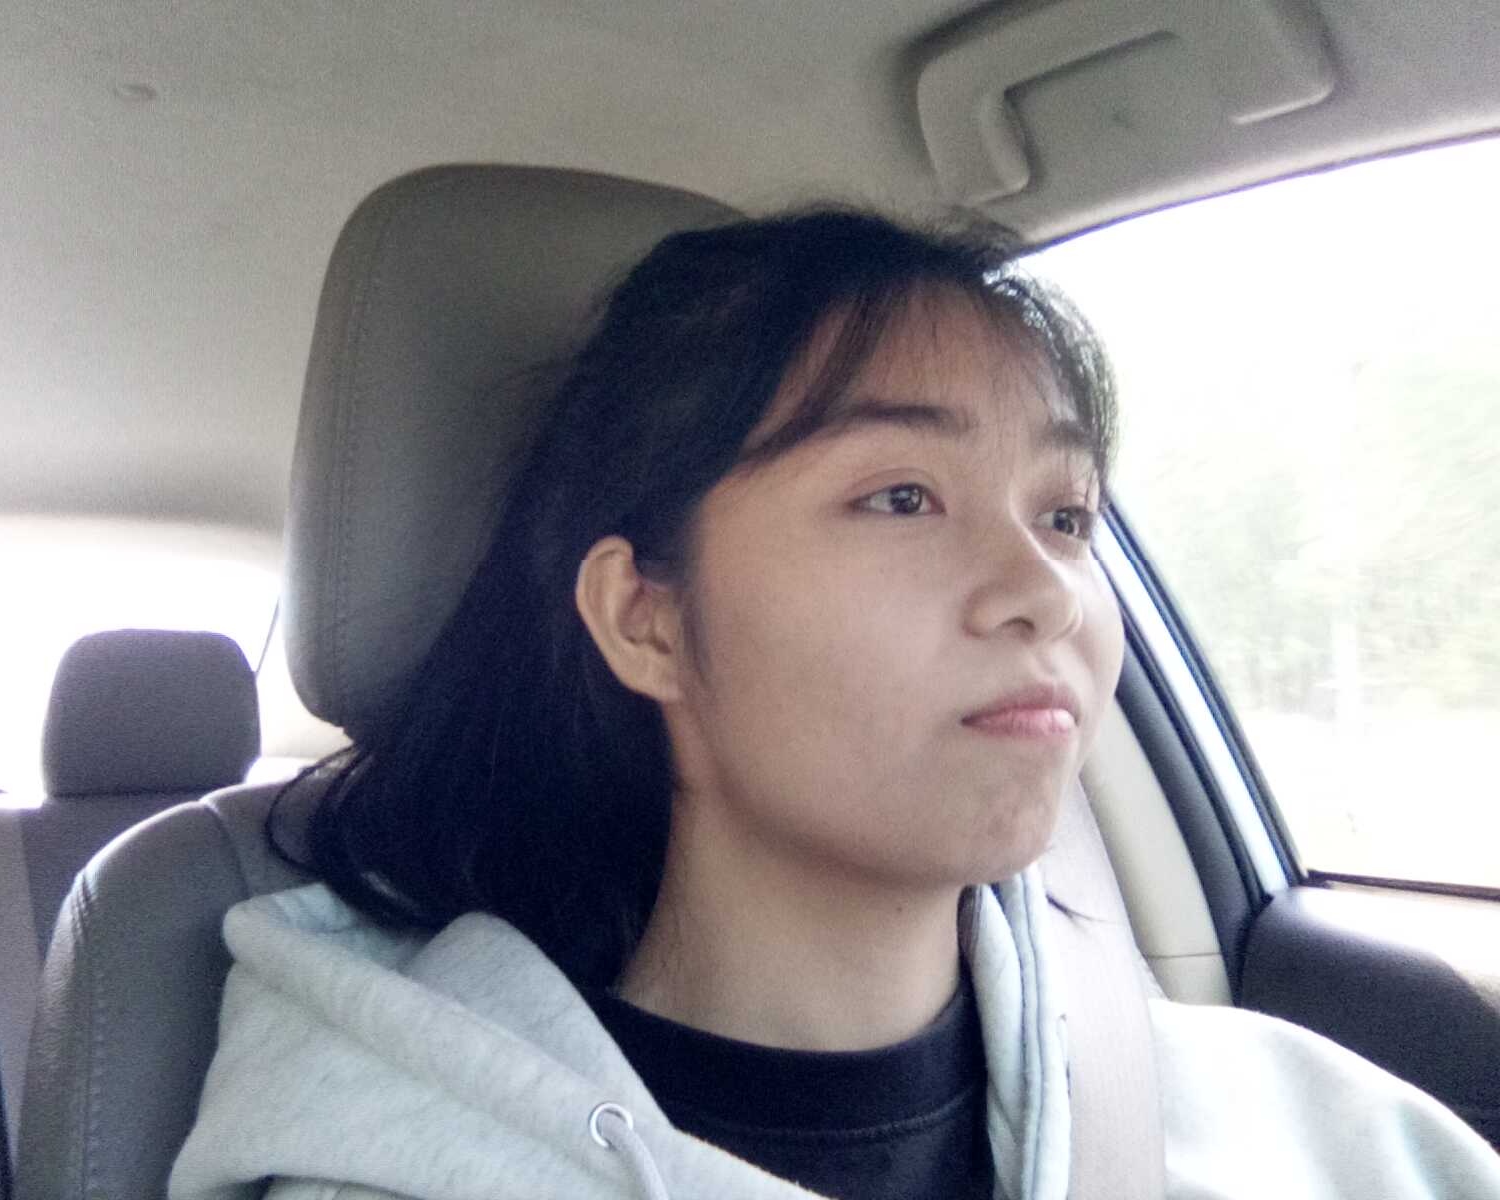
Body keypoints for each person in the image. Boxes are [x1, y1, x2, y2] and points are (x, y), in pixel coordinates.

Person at [169, 210, 1500, 1200]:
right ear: (647, 619)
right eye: (901, 497)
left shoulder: (1306, 1130)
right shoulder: (396, 1168)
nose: (1042, 589)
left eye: (1064, 514)